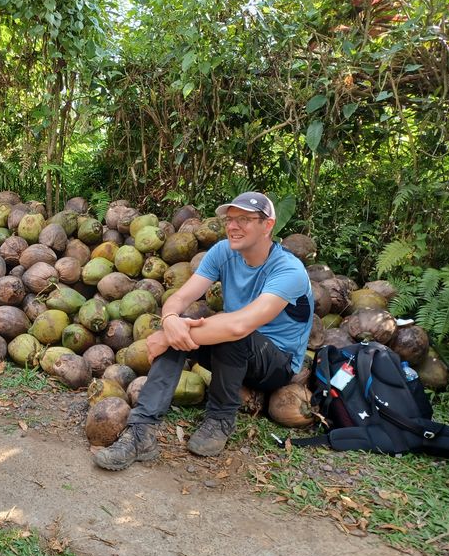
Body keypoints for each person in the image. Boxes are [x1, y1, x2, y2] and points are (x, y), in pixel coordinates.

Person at [94, 192, 314, 471]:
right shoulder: (223, 252)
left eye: (244, 219)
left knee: (228, 331)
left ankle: (220, 418)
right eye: (230, 219)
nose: (233, 226)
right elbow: (179, 298)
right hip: (232, 347)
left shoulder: (289, 270)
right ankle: (141, 431)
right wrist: (170, 320)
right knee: (183, 324)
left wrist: (166, 336)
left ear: (267, 225)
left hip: (275, 364)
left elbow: (239, 325)